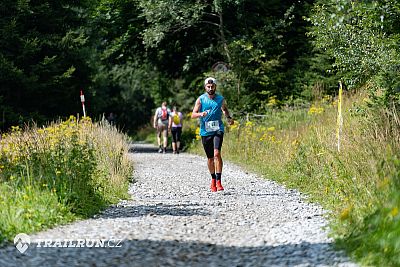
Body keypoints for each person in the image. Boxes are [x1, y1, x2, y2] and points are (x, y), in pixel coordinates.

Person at [191, 77, 234, 192]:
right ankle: (213, 180)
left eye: (212, 86)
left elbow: (224, 109)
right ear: (205, 87)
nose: (210, 88)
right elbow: (193, 114)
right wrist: (201, 114)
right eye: (208, 87)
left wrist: (228, 118)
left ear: (215, 86)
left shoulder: (220, 98)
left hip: (218, 129)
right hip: (205, 131)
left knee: (216, 153)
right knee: (210, 158)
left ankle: (219, 181)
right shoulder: (201, 99)